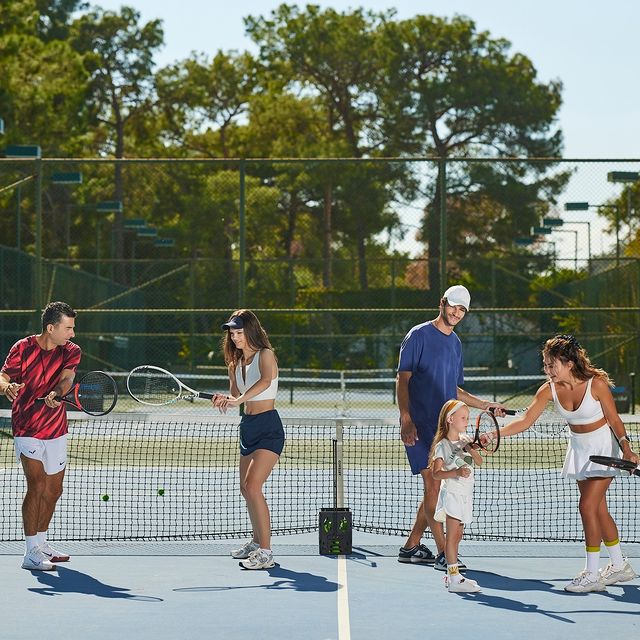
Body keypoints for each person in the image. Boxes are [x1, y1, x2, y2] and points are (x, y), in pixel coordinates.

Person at [497, 334, 639, 592]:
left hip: (603, 448)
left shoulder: (596, 385)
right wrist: (494, 434)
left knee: (586, 507)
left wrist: (628, 448)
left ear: (569, 363)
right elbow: (526, 420)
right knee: (598, 509)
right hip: (579, 449)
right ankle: (619, 565)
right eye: (545, 365)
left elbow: (615, 420)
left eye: (552, 365)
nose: (548, 370)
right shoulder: (548, 389)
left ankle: (592, 574)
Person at [396, 284, 506, 571]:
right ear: (442, 303)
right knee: (434, 485)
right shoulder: (418, 335)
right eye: (453, 306)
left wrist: (485, 404)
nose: (457, 313)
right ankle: (445, 553)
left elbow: (454, 389)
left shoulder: (455, 343)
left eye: (462, 310)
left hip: (444, 431)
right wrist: (405, 418)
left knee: (433, 488)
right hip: (419, 427)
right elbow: (403, 379)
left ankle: (410, 547)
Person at [0, 301, 81, 571]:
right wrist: (7, 386)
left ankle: (42, 542)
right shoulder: (22, 348)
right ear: (51, 327)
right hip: (26, 427)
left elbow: (67, 378)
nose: (72, 333)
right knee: (36, 485)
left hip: (56, 428)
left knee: (54, 490)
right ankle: (30, 551)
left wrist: (57, 393)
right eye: (68, 328)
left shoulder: (71, 350)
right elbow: (2, 376)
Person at [213, 309, 284, 570]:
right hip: (248, 427)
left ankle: (266, 553)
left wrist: (240, 399)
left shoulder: (266, 355)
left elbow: (265, 381)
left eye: (239, 332)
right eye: (232, 333)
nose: (234, 337)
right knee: (245, 488)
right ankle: (256, 543)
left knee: (253, 487)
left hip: (269, 427)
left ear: (251, 331)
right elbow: (234, 395)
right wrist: (224, 399)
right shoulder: (235, 364)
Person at [431, 399, 483, 593]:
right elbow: (436, 473)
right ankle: (454, 578)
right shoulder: (442, 446)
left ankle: (453, 576)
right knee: (452, 537)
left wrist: (468, 446)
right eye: (463, 418)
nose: (466, 421)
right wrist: (456, 473)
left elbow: (478, 461)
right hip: (452, 494)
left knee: (458, 535)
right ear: (450, 419)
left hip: (465, 494)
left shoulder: (465, 439)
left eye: (468, 418)